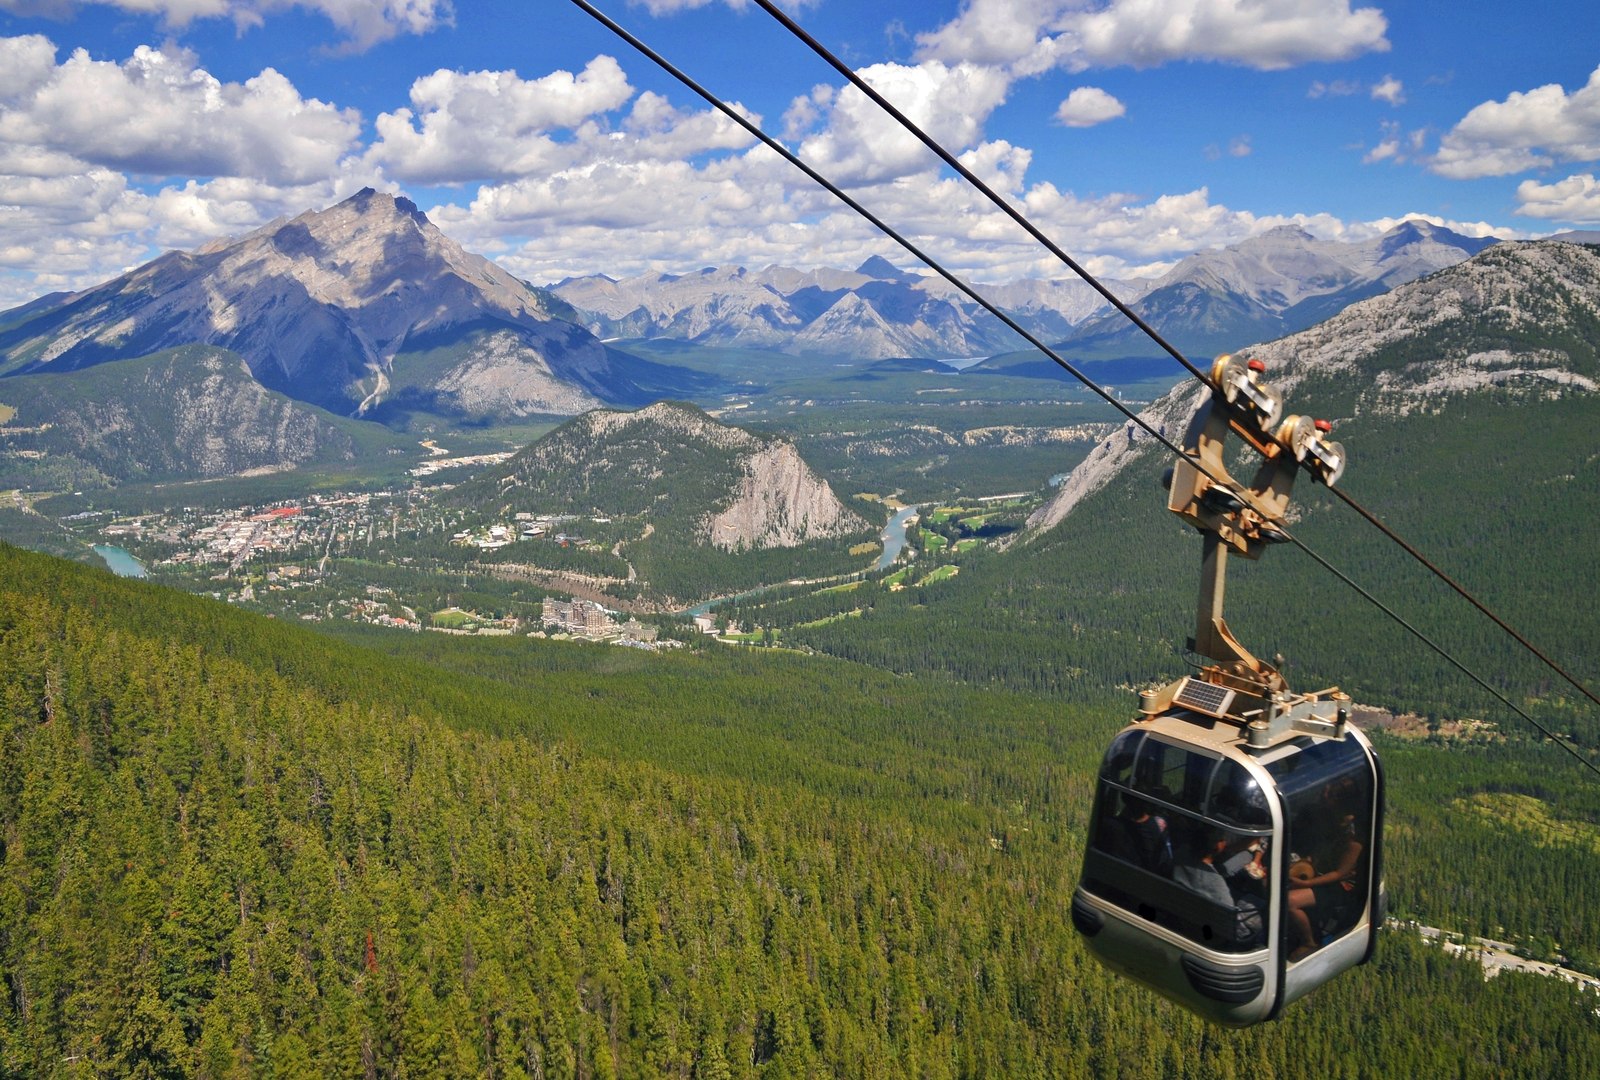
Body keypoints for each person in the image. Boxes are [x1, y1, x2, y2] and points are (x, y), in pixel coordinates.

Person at [1287, 782, 1365, 961]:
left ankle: (1309, 942)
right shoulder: (1335, 822)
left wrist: (1306, 883)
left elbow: (1340, 874)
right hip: (1323, 874)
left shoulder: (1355, 839)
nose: (1323, 795)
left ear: (1338, 801)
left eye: (1327, 794)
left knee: (1289, 901)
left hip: (1341, 888)